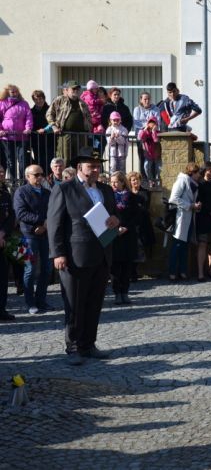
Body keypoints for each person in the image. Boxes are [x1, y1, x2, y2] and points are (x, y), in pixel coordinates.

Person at [47, 146, 120, 365]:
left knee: (94, 302)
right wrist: (57, 253)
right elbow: (54, 223)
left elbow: (112, 217)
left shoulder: (106, 190)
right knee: (74, 303)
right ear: (80, 167)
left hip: (102, 254)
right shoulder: (65, 189)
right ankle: (73, 347)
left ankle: (89, 344)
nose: (96, 169)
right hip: (75, 256)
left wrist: (116, 222)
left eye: (98, 166)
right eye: (92, 166)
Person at [14, 164, 53, 314]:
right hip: (28, 236)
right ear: (27, 176)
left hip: (45, 235)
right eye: (36, 175)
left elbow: (53, 211)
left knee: (47, 269)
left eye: (41, 174)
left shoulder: (47, 192)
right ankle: (30, 303)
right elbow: (21, 213)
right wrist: (40, 222)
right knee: (30, 270)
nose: (39, 177)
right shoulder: (21, 192)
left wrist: (45, 224)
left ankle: (41, 300)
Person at [109, 171, 139, 305]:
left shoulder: (132, 197)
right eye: (112, 181)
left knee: (127, 266)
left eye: (116, 181)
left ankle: (125, 292)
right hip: (114, 235)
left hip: (128, 234)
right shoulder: (108, 197)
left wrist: (126, 227)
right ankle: (117, 293)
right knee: (115, 266)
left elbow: (136, 215)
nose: (113, 184)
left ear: (122, 182)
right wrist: (116, 228)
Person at [168, 162, 201, 281]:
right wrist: (190, 205)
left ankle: (182, 271)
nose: (199, 175)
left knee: (185, 246)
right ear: (192, 173)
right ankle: (172, 272)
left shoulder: (193, 183)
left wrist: (196, 206)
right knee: (177, 245)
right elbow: (173, 198)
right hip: (180, 218)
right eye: (197, 173)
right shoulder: (182, 180)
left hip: (189, 218)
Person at [46, 80, 91, 163]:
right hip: (65, 134)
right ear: (67, 90)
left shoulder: (82, 103)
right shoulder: (59, 100)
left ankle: (78, 176)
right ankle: (65, 176)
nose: (76, 91)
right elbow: (49, 114)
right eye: (73, 89)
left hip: (81, 135)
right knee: (65, 159)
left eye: (77, 89)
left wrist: (88, 129)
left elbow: (88, 118)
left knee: (80, 160)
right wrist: (54, 126)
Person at [0, 84, 33, 181]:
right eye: (12, 91)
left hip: (21, 137)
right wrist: (1, 130)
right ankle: (12, 181)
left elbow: (28, 117)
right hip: (6, 137)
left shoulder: (24, 103)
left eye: (16, 91)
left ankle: (23, 180)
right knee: (10, 161)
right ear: (7, 92)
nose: (14, 93)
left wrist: (28, 128)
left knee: (23, 160)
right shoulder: (2, 103)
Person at [126, 171, 154, 282]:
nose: (135, 182)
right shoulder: (127, 193)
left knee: (140, 248)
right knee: (131, 248)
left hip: (142, 224)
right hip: (130, 224)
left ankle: (134, 271)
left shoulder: (145, 192)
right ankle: (131, 272)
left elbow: (145, 208)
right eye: (133, 180)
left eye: (137, 180)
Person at [0, 166, 15, 321]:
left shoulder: (5, 192)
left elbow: (11, 215)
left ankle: (2, 309)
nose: (2, 175)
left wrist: (3, 233)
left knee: (3, 277)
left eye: (3, 173)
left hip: (5, 240)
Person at [132, 92, 159, 175]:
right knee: (142, 156)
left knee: (152, 156)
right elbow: (136, 122)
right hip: (141, 134)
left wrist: (151, 127)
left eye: (148, 99)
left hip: (152, 134)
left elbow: (157, 121)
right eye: (145, 99)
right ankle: (143, 177)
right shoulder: (137, 109)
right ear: (141, 100)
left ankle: (152, 177)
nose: (147, 101)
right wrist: (147, 126)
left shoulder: (155, 109)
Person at [29, 90, 55, 170]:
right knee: (38, 160)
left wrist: (44, 129)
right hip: (36, 140)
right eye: (36, 99)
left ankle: (49, 178)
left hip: (49, 139)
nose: (38, 101)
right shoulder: (31, 111)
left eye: (40, 98)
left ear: (44, 99)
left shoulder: (50, 109)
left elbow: (53, 121)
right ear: (33, 100)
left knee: (49, 160)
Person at [137, 116, 161, 187]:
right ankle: (150, 181)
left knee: (158, 169)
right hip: (148, 154)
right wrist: (144, 129)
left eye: (153, 123)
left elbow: (156, 140)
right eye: (150, 123)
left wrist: (153, 132)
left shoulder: (158, 132)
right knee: (146, 167)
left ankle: (157, 182)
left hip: (157, 155)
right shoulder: (145, 132)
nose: (151, 125)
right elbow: (140, 137)